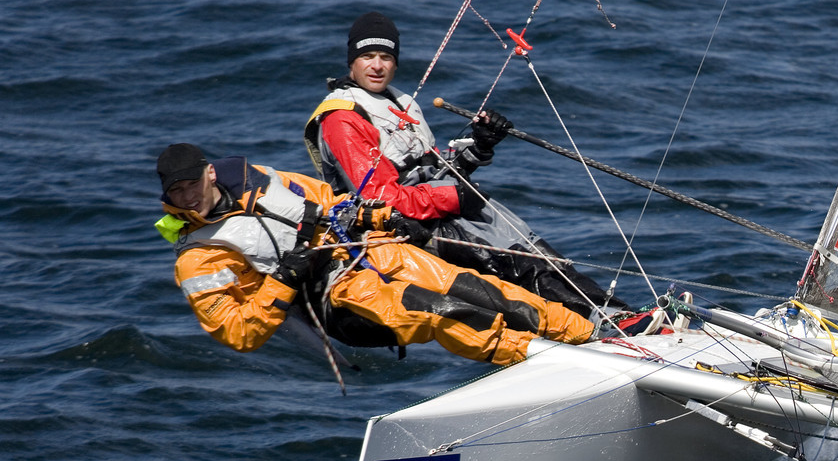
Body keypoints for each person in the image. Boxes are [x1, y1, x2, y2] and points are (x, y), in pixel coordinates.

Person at [303, 12, 630, 315]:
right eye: (367, 57)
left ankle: (617, 314)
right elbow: (380, 197)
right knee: (515, 261)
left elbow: (432, 171)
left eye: (386, 57)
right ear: (352, 62)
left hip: (435, 209)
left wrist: (480, 145)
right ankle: (601, 321)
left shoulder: (394, 102)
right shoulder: (342, 119)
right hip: (399, 231)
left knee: (536, 251)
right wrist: (453, 197)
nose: (377, 66)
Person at [154, 143, 594, 366]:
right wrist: (283, 280)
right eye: (176, 191)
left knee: (486, 291)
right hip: (334, 300)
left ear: (210, 173)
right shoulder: (197, 258)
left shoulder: (258, 178)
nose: (187, 196)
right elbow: (237, 334)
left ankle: (589, 336)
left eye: (191, 184)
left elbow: (329, 202)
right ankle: (548, 357)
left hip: (367, 254)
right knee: (446, 312)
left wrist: (384, 219)